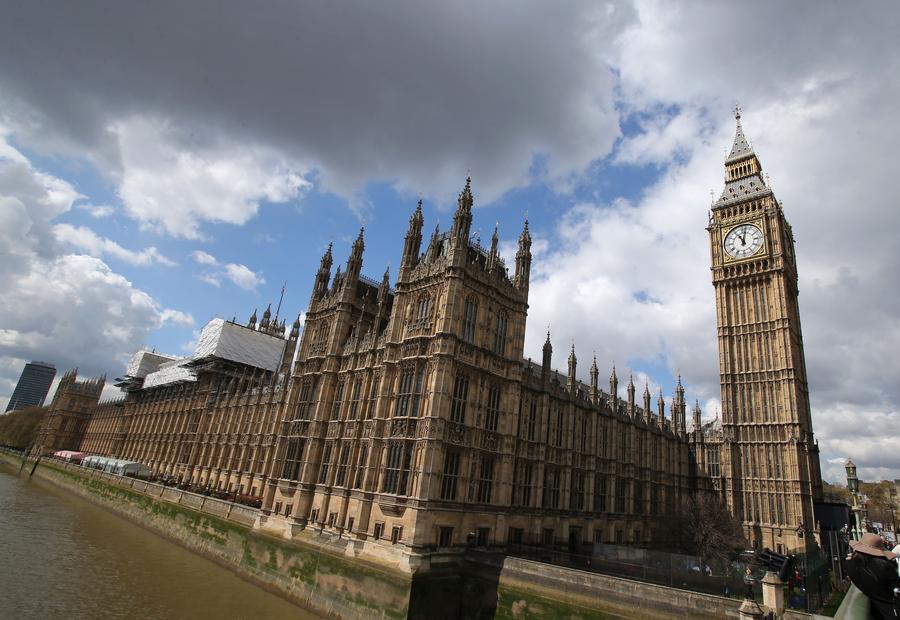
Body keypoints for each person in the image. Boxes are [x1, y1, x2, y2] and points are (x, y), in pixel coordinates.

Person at [846, 532, 900, 619]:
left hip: (876, 612)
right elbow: (896, 586)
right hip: (891, 611)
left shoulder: (851, 565)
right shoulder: (885, 568)